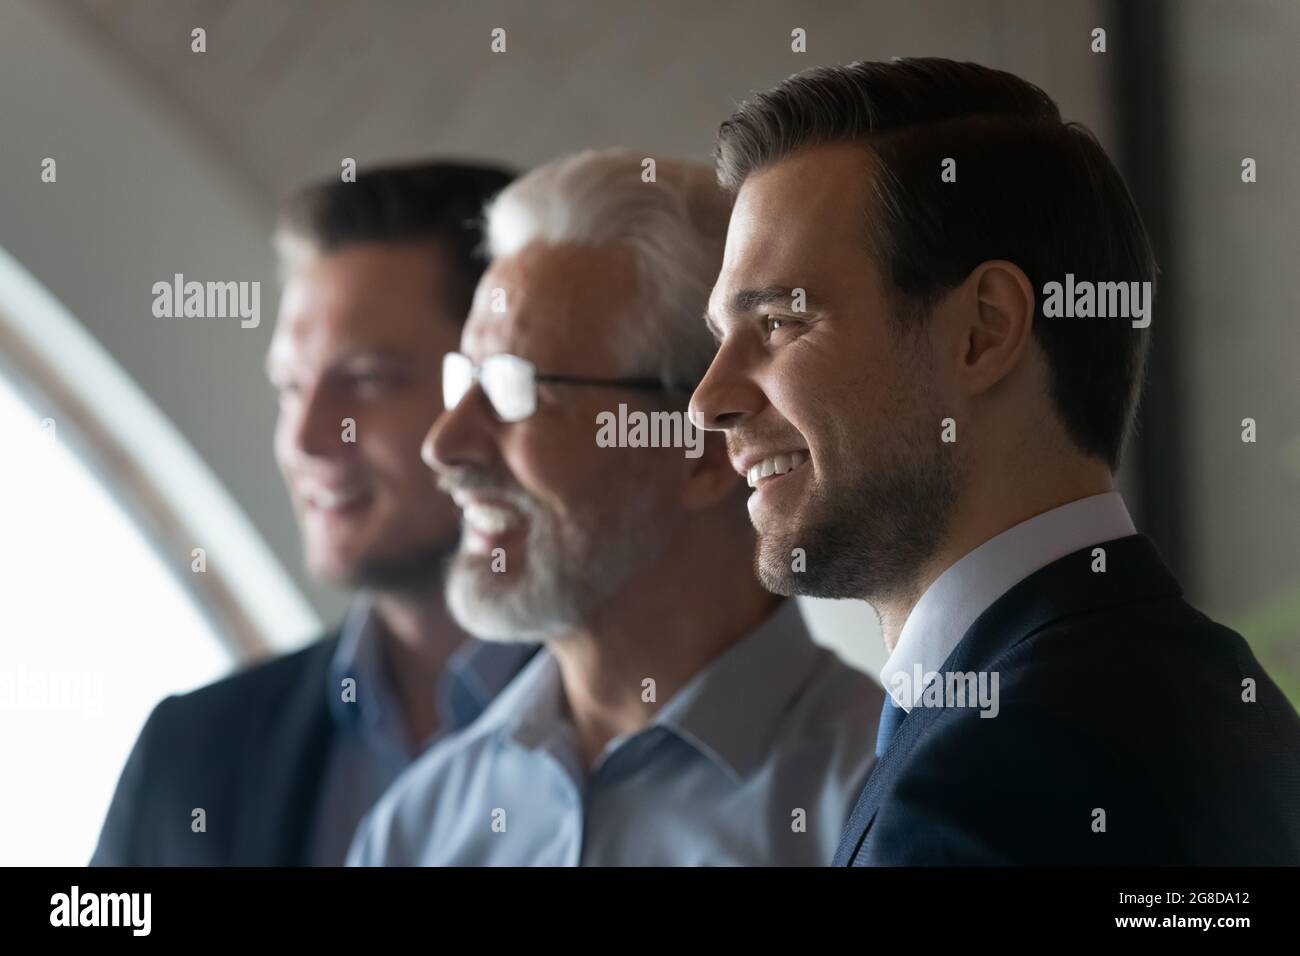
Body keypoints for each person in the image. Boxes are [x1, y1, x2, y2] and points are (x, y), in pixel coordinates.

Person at [689, 57, 1300, 865]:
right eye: (719, 338)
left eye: (778, 324)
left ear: (984, 330)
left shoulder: (995, 777)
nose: (708, 400)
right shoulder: (1218, 691)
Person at [347, 150, 882, 866]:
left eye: (512, 389)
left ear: (699, 446)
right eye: (461, 380)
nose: (444, 445)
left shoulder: (877, 799)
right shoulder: (419, 829)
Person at [91, 161, 533, 866]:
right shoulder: (192, 751)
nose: (305, 438)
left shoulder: (652, 721)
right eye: (292, 387)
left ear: (506, 389)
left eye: (367, 379)